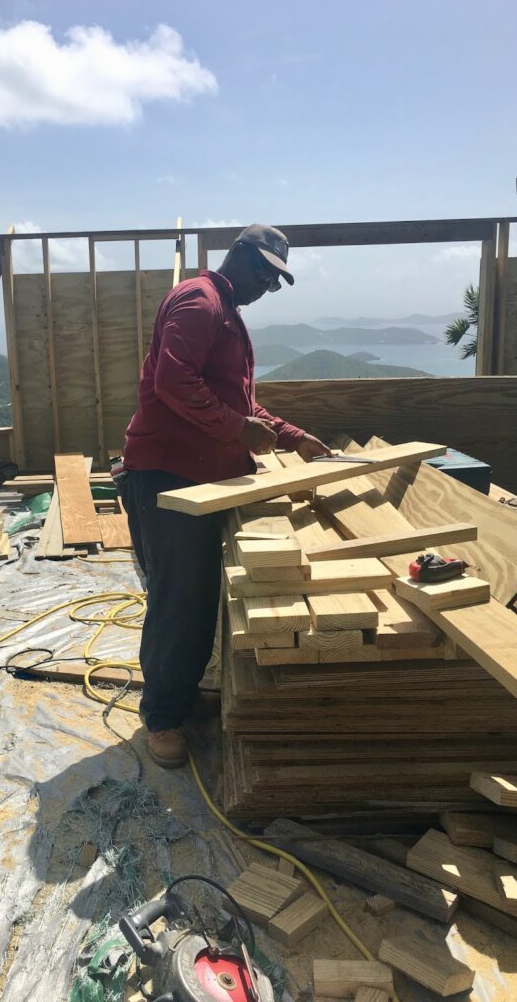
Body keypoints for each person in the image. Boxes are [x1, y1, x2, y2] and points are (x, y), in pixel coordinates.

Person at [117, 224, 331, 767]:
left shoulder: (227, 312)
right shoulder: (201, 301)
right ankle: (162, 717)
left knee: (197, 596)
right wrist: (237, 430)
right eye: (263, 271)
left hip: (200, 478)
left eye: (276, 281)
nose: (267, 286)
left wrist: (292, 436)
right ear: (236, 254)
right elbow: (173, 382)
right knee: (177, 599)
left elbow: (240, 402)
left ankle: (181, 693)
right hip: (167, 477)